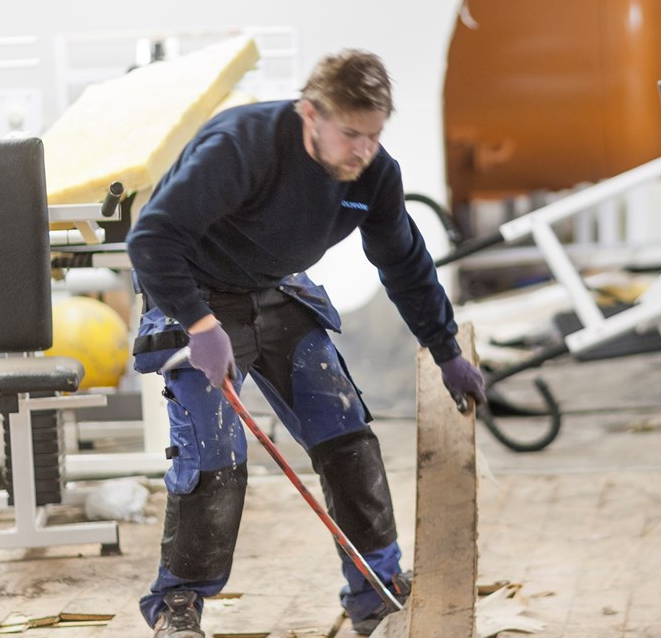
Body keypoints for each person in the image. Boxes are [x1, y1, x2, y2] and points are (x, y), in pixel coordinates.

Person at [126, 49, 487, 638]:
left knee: (346, 432)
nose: (362, 149)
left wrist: (445, 349)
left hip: (275, 287)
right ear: (309, 114)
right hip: (194, 289)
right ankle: (178, 603)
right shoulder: (243, 146)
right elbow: (151, 240)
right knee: (216, 455)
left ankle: (376, 587)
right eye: (350, 134)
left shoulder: (373, 173)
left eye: (374, 135)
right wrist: (198, 323)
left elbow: (404, 262)